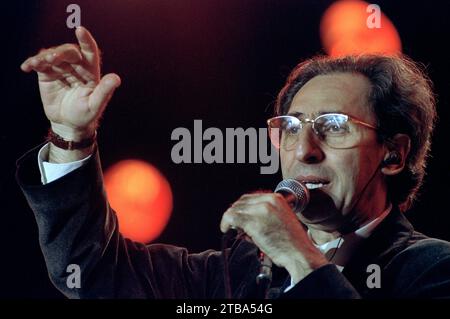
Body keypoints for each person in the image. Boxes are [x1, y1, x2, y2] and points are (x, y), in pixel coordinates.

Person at [16, 26, 450, 299]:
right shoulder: (233, 272)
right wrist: (71, 136)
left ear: (394, 154)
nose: (304, 150)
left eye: (334, 126)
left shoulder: (432, 269)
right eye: (291, 127)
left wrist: (300, 259)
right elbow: (91, 274)